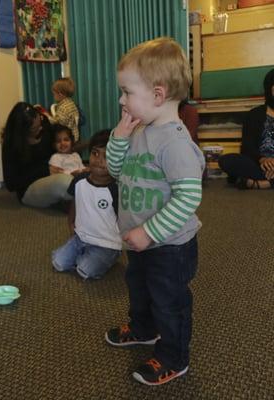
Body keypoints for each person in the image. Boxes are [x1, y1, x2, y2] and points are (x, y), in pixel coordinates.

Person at [104, 37, 205, 386]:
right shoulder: (140, 132)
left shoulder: (176, 144)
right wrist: (119, 135)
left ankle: (174, 357)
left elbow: (188, 198)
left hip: (170, 246)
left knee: (169, 301)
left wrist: (149, 233)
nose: (121, 100)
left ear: (158, 96)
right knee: (139, 288)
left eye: (127, 92)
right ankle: (144, 329)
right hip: (141, 241)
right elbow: (116, 171)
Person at [51, 129, 121, 279]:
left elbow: (124, 219)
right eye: (95, 153)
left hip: (106, 243)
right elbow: (75, 203)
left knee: (84, 270)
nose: (99, 160)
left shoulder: (117, 188)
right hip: (80, 238)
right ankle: (84, 254)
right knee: (58, 262)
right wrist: (71, 224)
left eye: (107, 156)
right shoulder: (79, 180)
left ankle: (109, 257)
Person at [1, 102, 73, 208]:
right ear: (23, 132)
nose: (40, 128)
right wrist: (44, 170)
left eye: (40, 122)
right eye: (35, 129)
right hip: (31, 186)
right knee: (65, 183)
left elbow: (61, 138)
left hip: (57, 172)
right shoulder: (11, 145)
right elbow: (11, 183)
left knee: (85, 175)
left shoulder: (44, 122)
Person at [218, 68, 274, 190]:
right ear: (269, 89)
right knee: (226, 160)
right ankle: (268, 179)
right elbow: (247, 148)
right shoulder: (254, 115)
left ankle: (263, 183)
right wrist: (262, 159)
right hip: (259, 164)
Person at [48, 77, 80, 142]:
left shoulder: (63, 107)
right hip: (74, 135)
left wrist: (47, 116)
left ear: (60, 94)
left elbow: (58, 123)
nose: (54, 96)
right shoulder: (71, 103)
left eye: (54, 94)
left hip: (67, 138)